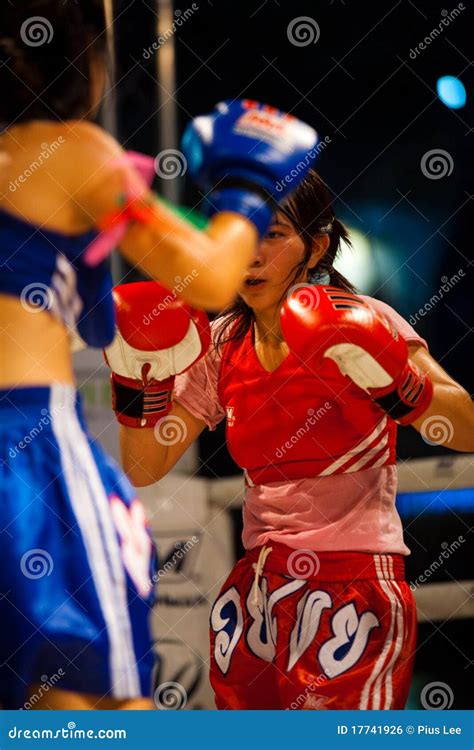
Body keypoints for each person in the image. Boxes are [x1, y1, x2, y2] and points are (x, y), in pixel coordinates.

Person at [0, 0, 318, 710]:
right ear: (85, 62)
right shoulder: (68, 152)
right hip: (21, 443)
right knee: (95, 698)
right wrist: (249, 187)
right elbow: (207, 275)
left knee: (42, 698)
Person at [112, 168, 474, 710]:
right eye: (238, 237)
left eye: (274, 235)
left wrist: (401, 387)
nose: (252, 257)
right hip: (259, 585)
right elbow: (145, 466)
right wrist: (139, 385)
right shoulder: (221, 343)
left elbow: (465, 425)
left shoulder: (363, 322)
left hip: (354, 578)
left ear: (316, 245)